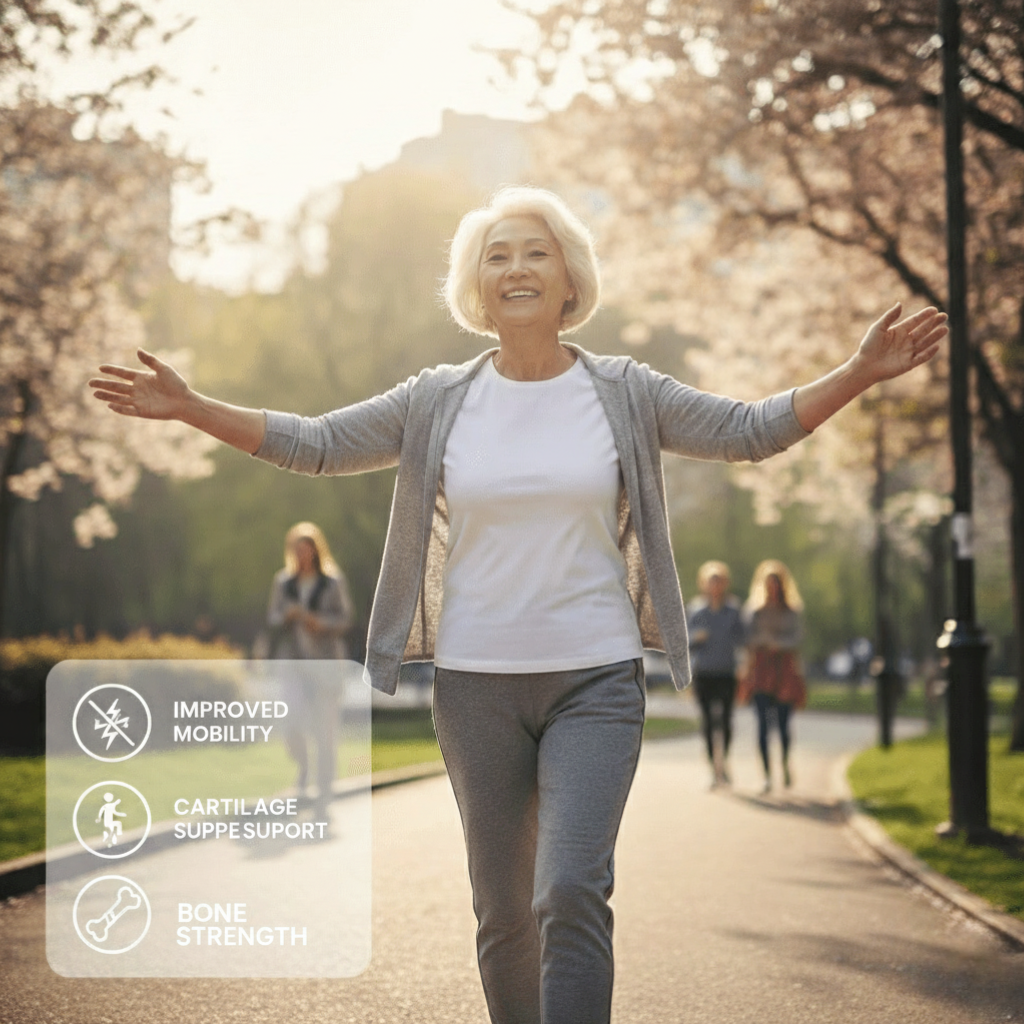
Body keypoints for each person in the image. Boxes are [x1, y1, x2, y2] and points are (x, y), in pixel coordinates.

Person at [89, 185, 946, 1024]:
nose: (517, 267)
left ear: (570, 278)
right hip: (475, 684)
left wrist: (861, 371)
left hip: (595, 680)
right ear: (476, 286)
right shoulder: (436, 400)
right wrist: (194, 408)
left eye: (537, 251)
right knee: (502, 914)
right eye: (496, 256)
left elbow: (750, 430)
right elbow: (316, 445)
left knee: (570, 890)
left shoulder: (626, 392)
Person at [266, 521, 355, 806]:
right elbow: (272, 618)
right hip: (294, 665)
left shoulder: (332, 582)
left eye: (307, 549)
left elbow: (345, 620)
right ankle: (304, 768)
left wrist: (321, 623)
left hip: (326, 665)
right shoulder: (283, 582)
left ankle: (324, 790)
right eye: (297, 549)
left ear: (316, 551)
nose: (303, 555)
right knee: (290, 723)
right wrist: (288, 616)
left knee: (324, 731)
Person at [741, 559, 806, 794]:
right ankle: (767, 776)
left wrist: (779, 644)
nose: (772, 588)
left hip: (784, 672)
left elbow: (798, 638)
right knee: (762, 726)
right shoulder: (754, 612)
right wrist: (763, 643)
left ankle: (786, 763)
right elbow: (746, 639)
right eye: (768, 583)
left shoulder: (792, 611)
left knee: (783, 724)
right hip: (760, 671)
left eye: (776, 583)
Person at [687, 560, 745, 789]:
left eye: (719, 581)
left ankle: (725, 759)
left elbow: (743, 639)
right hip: (703, 673)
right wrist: (695, 638)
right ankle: (714, 768)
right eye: (711, 581)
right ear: (704, 584)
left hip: (727, 672)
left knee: (727, 721)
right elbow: (686, 642)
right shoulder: (696, 610)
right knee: (708, 722)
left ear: (725, 583)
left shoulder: (733, 611)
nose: (715, 585)